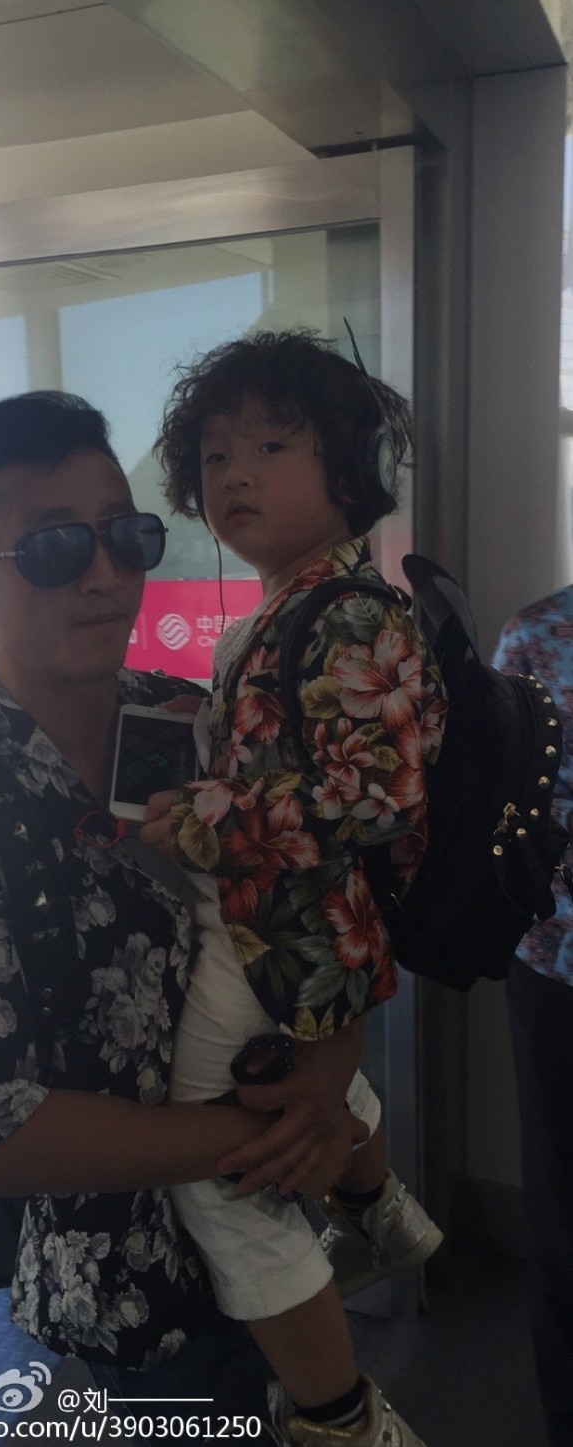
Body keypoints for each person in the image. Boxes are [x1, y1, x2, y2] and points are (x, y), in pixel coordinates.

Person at [0, 391, 365, 1423]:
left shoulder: (191, 724)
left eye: (125, 537)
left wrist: (326, 1077)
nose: (104, 575)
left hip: (284, 1216)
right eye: (53, 548)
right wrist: (262, 1133)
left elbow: (322, 902)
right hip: (133, 1292)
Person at [139, 332, 446, 1446]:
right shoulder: (287, 607)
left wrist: (207, 818)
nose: (235, 474)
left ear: (350, 468)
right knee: (274, 1109)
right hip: (280, 927)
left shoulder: (351, 612)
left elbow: (379, 794)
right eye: (215, 453)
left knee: (218, 1165)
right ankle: (377, 1211)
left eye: (272, 446)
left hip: (281, 932)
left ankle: (345, 1419)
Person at [493, 588, 573, 1447]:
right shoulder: (539, 635)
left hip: (553, 958)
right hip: (556, 962)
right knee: (560, 1208)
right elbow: (499, 801)